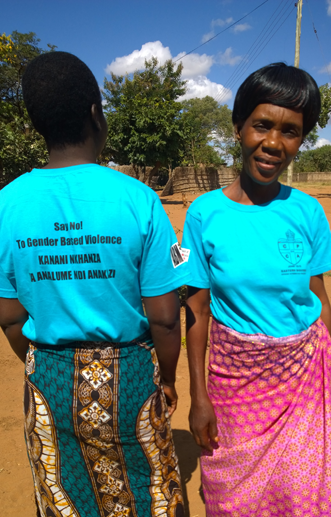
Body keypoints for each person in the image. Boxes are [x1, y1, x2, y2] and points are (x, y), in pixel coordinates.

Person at [0, 51, 189, 517]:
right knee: (149, 490)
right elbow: (165, 319)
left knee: (63, 490)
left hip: (47, 382)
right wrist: (164, 378)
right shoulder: (139, 200)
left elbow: (8, 315)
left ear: (34, 124)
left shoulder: (6, 203)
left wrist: (46, 362)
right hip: (130, 380)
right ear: (95, 114)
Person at [182, 63, 331, 517]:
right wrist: (199, 398)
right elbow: (195, 311)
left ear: (301, 140)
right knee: (236, 499)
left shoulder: (308, 213)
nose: (274, 143)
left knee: (304, 497)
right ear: (238, 127)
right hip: (236, 389)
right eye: (262, 125)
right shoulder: (203, 215)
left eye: (291, 132)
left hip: (302, 382)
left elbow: (320, 304)